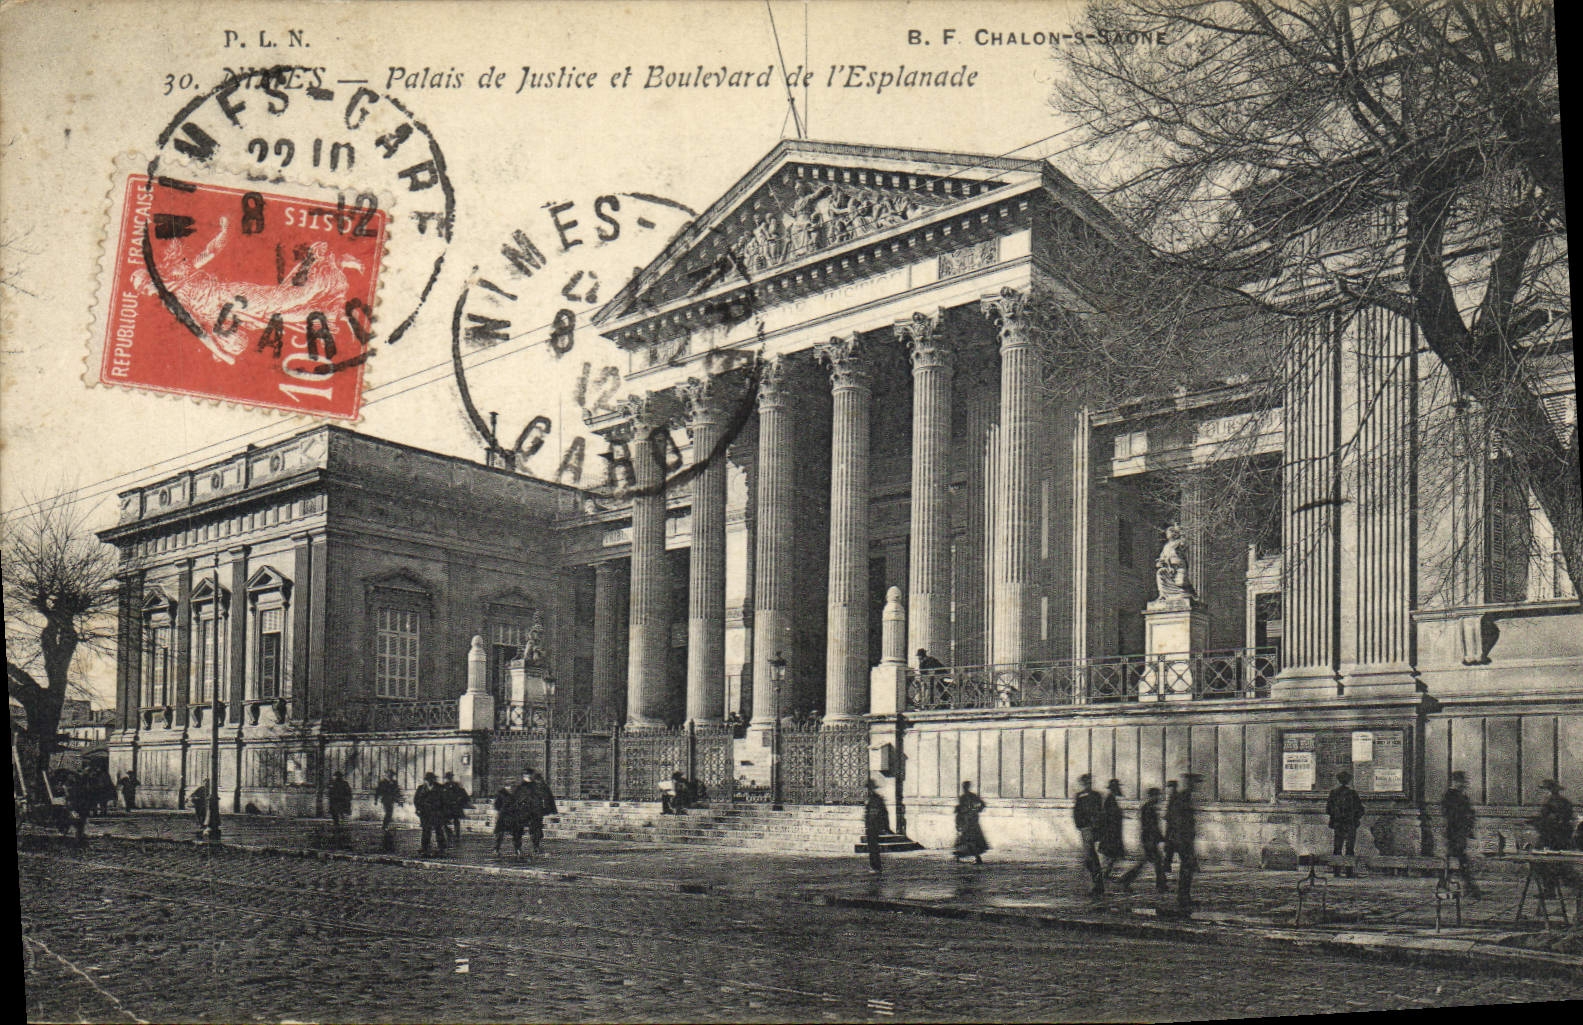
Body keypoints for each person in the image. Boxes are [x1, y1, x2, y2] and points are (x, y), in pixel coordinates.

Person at [1530, 779, 1576, 898]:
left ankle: (1550, 890)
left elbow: (1548, 822)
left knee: (1541, 862)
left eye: (1545, 790)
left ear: (1550, 791)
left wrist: (1535, 823)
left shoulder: (1549, 803)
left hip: (1550, 838)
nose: (1544, 793)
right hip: (1562, 837)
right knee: (1555, 865)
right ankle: (1553, 889)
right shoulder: (1565, 802)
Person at [1442, 770, 1483, 900]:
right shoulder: (1450, 796)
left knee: (1460, 860)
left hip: (1461, 833)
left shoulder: (1461, 796)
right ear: (1456, 782)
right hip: (1454, 833)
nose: (1464, 784)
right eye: (1462, 782)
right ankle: (1465, 887)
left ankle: (1463, 887)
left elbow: (1469, 813)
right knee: (1458, 860)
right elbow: (1451, 815)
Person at [1120, 786, 1168, 893]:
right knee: (1151, 862)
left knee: (1154, 861)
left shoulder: (1149, 807)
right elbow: (1149, 826)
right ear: (1152, 796)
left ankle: (1161, 884)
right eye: (1157, 795)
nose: (1159, 798)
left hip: (1150, 839)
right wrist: (1158, 838)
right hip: (1149, 840)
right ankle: (1127, 879)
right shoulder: (1148, 808)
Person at [1167, 773, 1202, 916]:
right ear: (1188, 783)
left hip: (1184, 839)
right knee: (1187, 868)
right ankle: (1183, 897)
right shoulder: (1182, 797)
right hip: (1183, 840)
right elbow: (1178, 821)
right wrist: (1183, 841)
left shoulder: (1185, 797)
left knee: (1187, 868)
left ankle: (1184, 897)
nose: (1196, 786)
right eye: (1194, 783)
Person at [1325, 770, 1365, 878]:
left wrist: (1336, 816)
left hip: (1338, 824)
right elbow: (1361, 809)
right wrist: (1355, 818)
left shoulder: (1333, 793)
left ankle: (1336, 871)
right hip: (1350, 824)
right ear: (1348, 781)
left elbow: (1328, 809)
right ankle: (1349, 871)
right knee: (1350, 847)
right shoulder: (1352, 794)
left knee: (1337, 846)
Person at [1072, 773, 1105, 898]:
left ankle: (1096, 885)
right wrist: (1082, 826)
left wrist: (1096, 825)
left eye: (1089, 782)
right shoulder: (1081, 796)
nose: (1088, 784)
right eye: (1086, 782)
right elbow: (1077, 813)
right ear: (1083, 784)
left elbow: (1101, 812)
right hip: (1087, 830)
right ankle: (1096, 884)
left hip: (1092, 829)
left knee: (1090, 857)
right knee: (1090, 857)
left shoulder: (1096, 796)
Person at [953, 781, 989, 864]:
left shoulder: (971, 796)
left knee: (971, 840)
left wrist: (976, 810)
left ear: (967, 787)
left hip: (971, 821)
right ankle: (960, 856)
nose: (964, 788)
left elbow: (982, 804)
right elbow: (961, 810)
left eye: (965, 787)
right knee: (964, 839)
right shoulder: (963, 797)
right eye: (964, 787)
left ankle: (976, 858)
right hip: (966, 820)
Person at [1098, 779, 1127, 882]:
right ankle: (1102, 874)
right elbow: (1107, 817)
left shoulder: (1111, 799)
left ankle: (1104, 873)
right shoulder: (1110, 800)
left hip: (1113, 832)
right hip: (1111, 833)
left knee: (1111, 855)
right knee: (1110, 854)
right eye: (1117, 787)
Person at [414, 771, 448, 856]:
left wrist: (443, 811)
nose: (429, 781)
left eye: (431, 779)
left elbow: (444, 800)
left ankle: (441, 848)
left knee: (438, 829)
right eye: (427, 779)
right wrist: (418, 809)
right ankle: (424, 847)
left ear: (434, 779)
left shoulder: (439, 787)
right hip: (425, 812)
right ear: (426, 780)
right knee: (426, 830)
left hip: (436, 812)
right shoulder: (421, 788)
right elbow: (416, 800)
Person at [525, 768, 558, 856]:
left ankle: (536, 846)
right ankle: (536, 845)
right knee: (536, 827)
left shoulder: (534, 787)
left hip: (535, 811)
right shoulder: (541, 786)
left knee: (535, 828)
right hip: (536, 811)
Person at [863, 778, 890, 875]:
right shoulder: (872, 798)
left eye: (868, 788)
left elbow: (877, 813)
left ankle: (876, 867)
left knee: (873, 848)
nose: (867, 790)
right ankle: (875, 866)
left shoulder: (875, 799)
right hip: (871, 826)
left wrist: (883, 826)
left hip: (873, 826)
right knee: (872, 847)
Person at [441, 771, 471, 844]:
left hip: (456, 806)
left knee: (456, 821)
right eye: (448, 778)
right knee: (444, 822)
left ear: (452, 778)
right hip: (447, 807)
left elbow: (464, 795)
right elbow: (441, 796)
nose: (449, 779)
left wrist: (460, 801)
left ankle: (457, 836)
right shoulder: (443, 786)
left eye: (450, 777)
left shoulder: (457, 785)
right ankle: (449, 834)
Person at [1160, 780, 1180, 874]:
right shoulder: (1172, 797)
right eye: (1168, 787)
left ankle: (1166, 866)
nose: (1168, 789)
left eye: (1170, 787)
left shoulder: (1175, 798)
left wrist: (1166, 816)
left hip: (1174, 827)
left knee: (1174, 847)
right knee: (1171, 848)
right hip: (1171, 827)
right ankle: (1166, 866)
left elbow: (1173, 813)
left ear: (1174, 788)